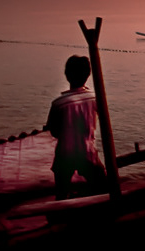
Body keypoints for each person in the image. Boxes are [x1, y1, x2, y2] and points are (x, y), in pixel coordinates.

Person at [47, 56, 106, 199]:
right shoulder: (95, 98)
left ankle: (59, 213)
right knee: (103, 187)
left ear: (66, 75)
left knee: (61, 191)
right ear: (88, 75)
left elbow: (53, 131)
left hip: (65, 153)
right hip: (87, 152)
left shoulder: (59, 103)